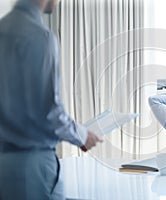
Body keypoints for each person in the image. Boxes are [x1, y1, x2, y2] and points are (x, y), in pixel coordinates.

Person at [0, 0, 101, 199]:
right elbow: (49, 112)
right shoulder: (40, 36)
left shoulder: (3, 29)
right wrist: (82, 135)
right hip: (32, 168)